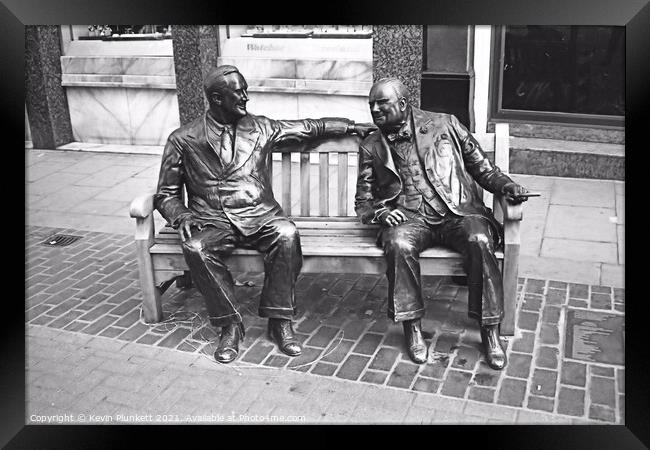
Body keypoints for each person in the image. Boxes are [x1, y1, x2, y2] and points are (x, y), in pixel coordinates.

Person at [155, 65, 374, 364]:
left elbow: (307, 127)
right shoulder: (184, 138)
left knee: (286, 234)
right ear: (217, 99)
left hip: (260, 215)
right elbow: (165, 194)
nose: (246, 97)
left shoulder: (260, 127)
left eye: (246, 89)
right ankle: (230, 325)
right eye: (239, 93)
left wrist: (350, 126)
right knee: (195, 247)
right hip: (213, 219)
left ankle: (279, 320)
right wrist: (181, 215)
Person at [354, 77, 529, 369]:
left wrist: (506, 186)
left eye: (381, 104)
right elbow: (363, 201)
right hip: (410, 218)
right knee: (397, 243)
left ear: (403, 103)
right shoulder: (372, 145)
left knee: (480, 239)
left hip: (457, 213)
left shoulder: (445, 124)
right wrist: (380, 214)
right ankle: (412, 328)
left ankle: (489, 332)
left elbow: (483, 168)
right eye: (371, 105)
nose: (374, 110)